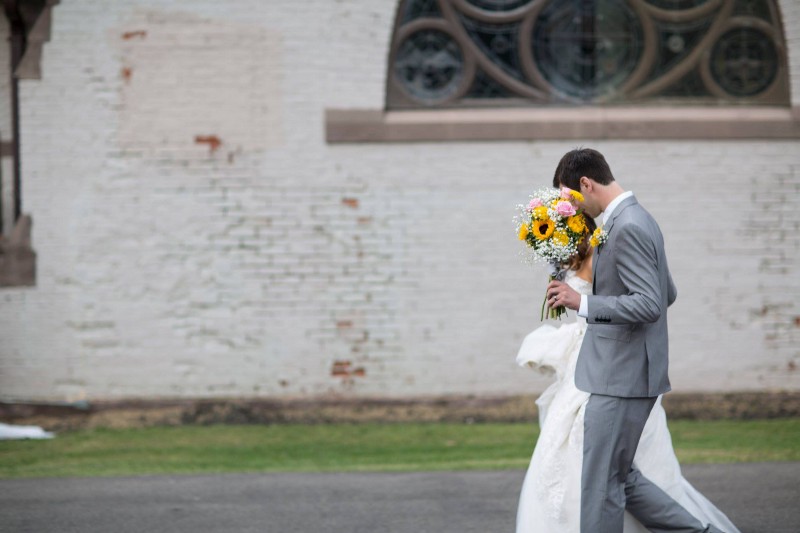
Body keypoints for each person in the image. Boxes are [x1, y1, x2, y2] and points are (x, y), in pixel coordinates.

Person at [516, 148, 738, 533]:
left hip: (618, 376)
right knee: (619, 478)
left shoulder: (628, 225)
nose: (572, 209)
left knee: (600, 487)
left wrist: (581, 302)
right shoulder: (635, 219)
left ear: (586, 184)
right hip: (620, 373)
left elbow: (650, 303)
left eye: (570, 197)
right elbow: (666, 292)